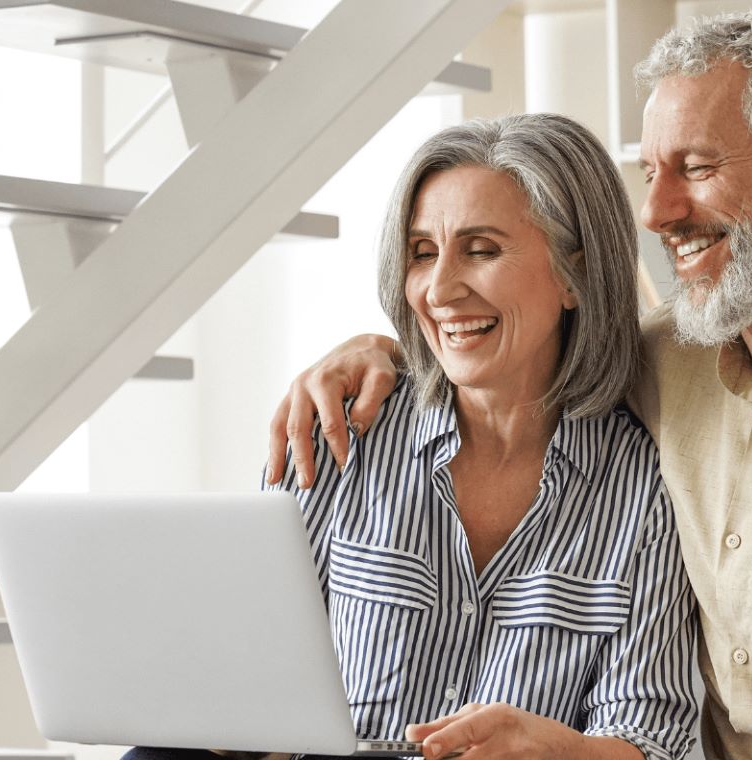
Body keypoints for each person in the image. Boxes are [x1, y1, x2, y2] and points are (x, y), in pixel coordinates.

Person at [268, 13, 752, 760]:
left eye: (698, 168)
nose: (656, 211)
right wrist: (380, 352)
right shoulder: (664, 362)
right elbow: (517, 347)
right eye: (650, 173)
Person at [131, 114, 700, 760]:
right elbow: (231, 677)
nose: (439, 289)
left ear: (574, 274)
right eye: (423, 252)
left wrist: (558, 751)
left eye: (481, 250)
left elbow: (651, 739)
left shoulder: (646, 487)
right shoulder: (340, 432)